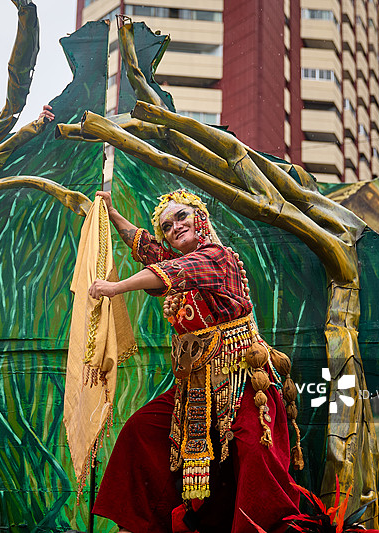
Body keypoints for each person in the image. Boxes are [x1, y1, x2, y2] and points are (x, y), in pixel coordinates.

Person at [88, 190, 300, 533]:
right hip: (195, 387)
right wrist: (112, 214)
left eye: (181, 217)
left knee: (254, 450)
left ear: (200, 216)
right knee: (140, 431)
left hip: (240, 379)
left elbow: (170, 269)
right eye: (167, 226)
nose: (174, 227)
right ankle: (143, 526)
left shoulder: (217, 257)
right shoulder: (178, 260)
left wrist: (116, 287)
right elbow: (149, 249)